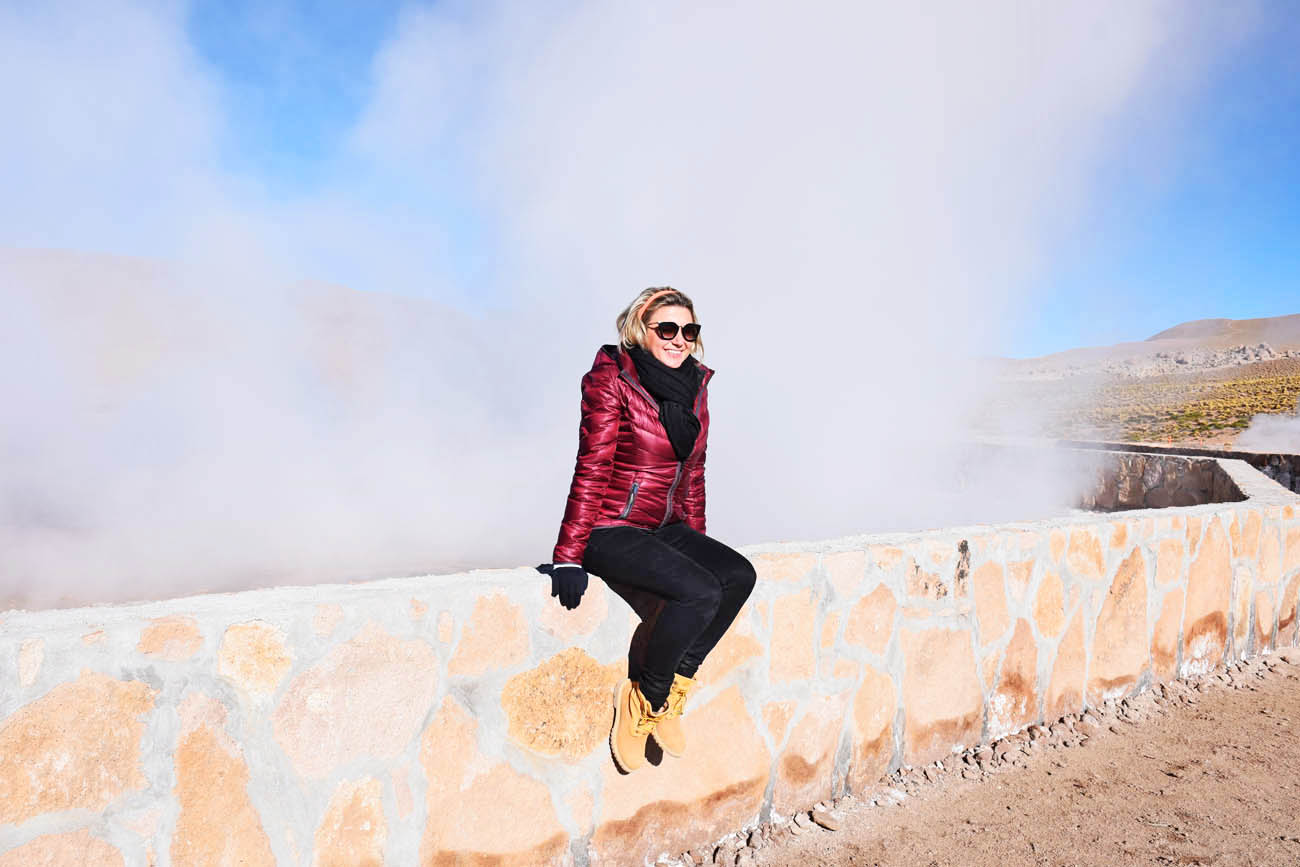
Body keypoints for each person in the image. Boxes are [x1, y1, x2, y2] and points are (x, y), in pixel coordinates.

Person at [541, 287, 757, 773]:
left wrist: (698, 542)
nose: (679, 340)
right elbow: (592, 467)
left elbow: (692, 474)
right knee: (699, 592)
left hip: (664, 526)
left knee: (737, 576)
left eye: (688, 330)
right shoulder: (612, 381)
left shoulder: (695, 388)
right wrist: (569, 554)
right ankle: (644, 700)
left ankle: (675, 686)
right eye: (667, 329)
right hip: (610, 528)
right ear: (641, 329)